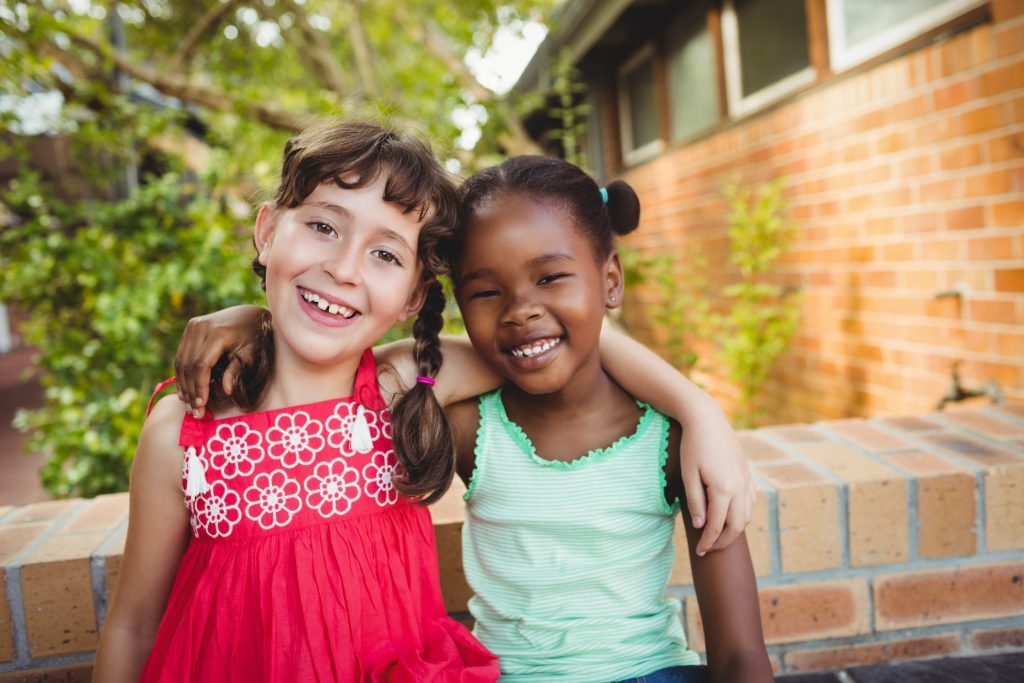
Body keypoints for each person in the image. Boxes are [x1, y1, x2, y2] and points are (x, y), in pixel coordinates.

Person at [93, 120, 504, 682]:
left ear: (414, 295)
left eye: (385, 254)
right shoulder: (185, 432)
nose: (342, 269)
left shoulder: (403, 385)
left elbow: (545, 337)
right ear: (267, 233)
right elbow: (134, 625)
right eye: (322, 226)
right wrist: (259, 317)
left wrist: (675, 398)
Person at [446, 156, 773, 682]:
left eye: (550, 277)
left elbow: (740, 655)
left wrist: (699, 412)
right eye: (486, 292)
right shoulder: (468, 431)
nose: (519, 311)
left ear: (611, 279)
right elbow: (386, 378)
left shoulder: (674, 443)